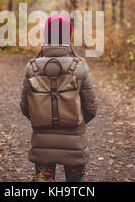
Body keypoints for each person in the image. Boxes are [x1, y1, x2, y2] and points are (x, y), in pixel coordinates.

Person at [20, 14, 98, 182]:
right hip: (75, 145)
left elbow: (25, 108)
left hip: (42, 145)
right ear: (68, 36)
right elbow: (92, 108)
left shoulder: (32, 68)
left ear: (46, 36)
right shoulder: (80, 67)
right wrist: (75, 122)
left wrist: (42, 120)